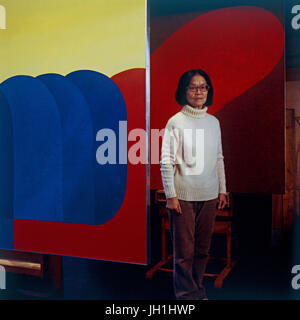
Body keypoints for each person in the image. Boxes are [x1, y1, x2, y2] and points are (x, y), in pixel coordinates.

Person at [160, 69, 227, 300]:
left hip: (209, 195)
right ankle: (186, 297)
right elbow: (166, 161)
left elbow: (218, 157)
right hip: (183, 197)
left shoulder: (213, 122)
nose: (199, 91)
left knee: (202, 250)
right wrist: (171, 195)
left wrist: (222, 189)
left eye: (203, 86)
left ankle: (198, 291)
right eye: (193, 87)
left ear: (208, 91)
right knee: (184, 253)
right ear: (184, 91)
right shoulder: (175, 122)